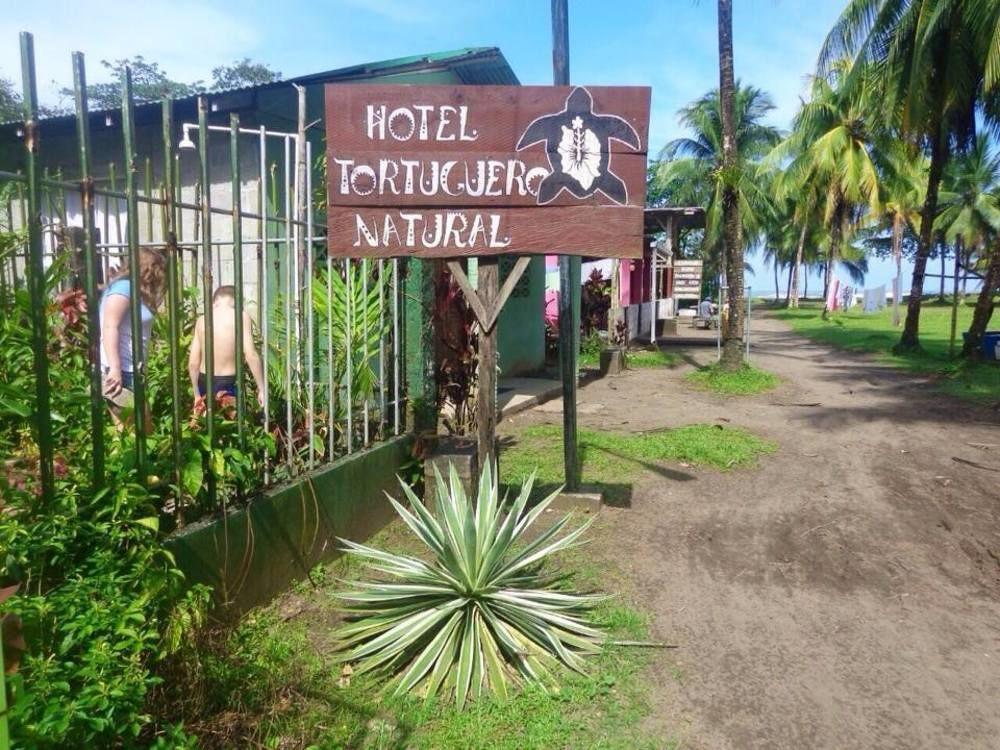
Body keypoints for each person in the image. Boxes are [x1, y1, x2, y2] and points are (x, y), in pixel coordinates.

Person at [100, 248, 166, 428]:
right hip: (122, 372)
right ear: (148, 269)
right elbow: (109, 326)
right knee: (140, 432)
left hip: (130, 371)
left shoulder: (131, 288)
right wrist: (115, 369)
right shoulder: (124, 287)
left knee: (128, 433)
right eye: (157, 270)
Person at [188, 286, 266, 408]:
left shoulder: (202, 320)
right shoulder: (241, 317)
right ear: (237, 301)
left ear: (214, 302)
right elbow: (251, 355)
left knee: (208, 425)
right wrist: (262, 388)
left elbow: (193, 363)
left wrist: (197, 394)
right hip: (229, 382)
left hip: (204, 381)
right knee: (232, 425)